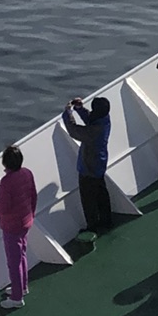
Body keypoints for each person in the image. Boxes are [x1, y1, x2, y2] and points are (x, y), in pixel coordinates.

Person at [0, 144, 37, 308]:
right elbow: (33, 196)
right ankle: (22, 287)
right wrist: (32, 214)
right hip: (26, 222)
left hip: (12, 227)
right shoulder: (27, 173)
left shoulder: (6, 183)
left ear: (5, 164)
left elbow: (3, 208)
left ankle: (17, 298)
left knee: (13, 261)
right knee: (21, 255)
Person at [62, 96, 113, 232]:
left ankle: (92, 227)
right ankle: (106, 220)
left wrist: (68, 114)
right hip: (99, 165)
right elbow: (91, 118)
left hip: (89, 167)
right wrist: (80, 109)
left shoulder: (94, 131)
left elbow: (74, 131)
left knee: (88, 199)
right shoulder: (104, 120)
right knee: (101, 194)